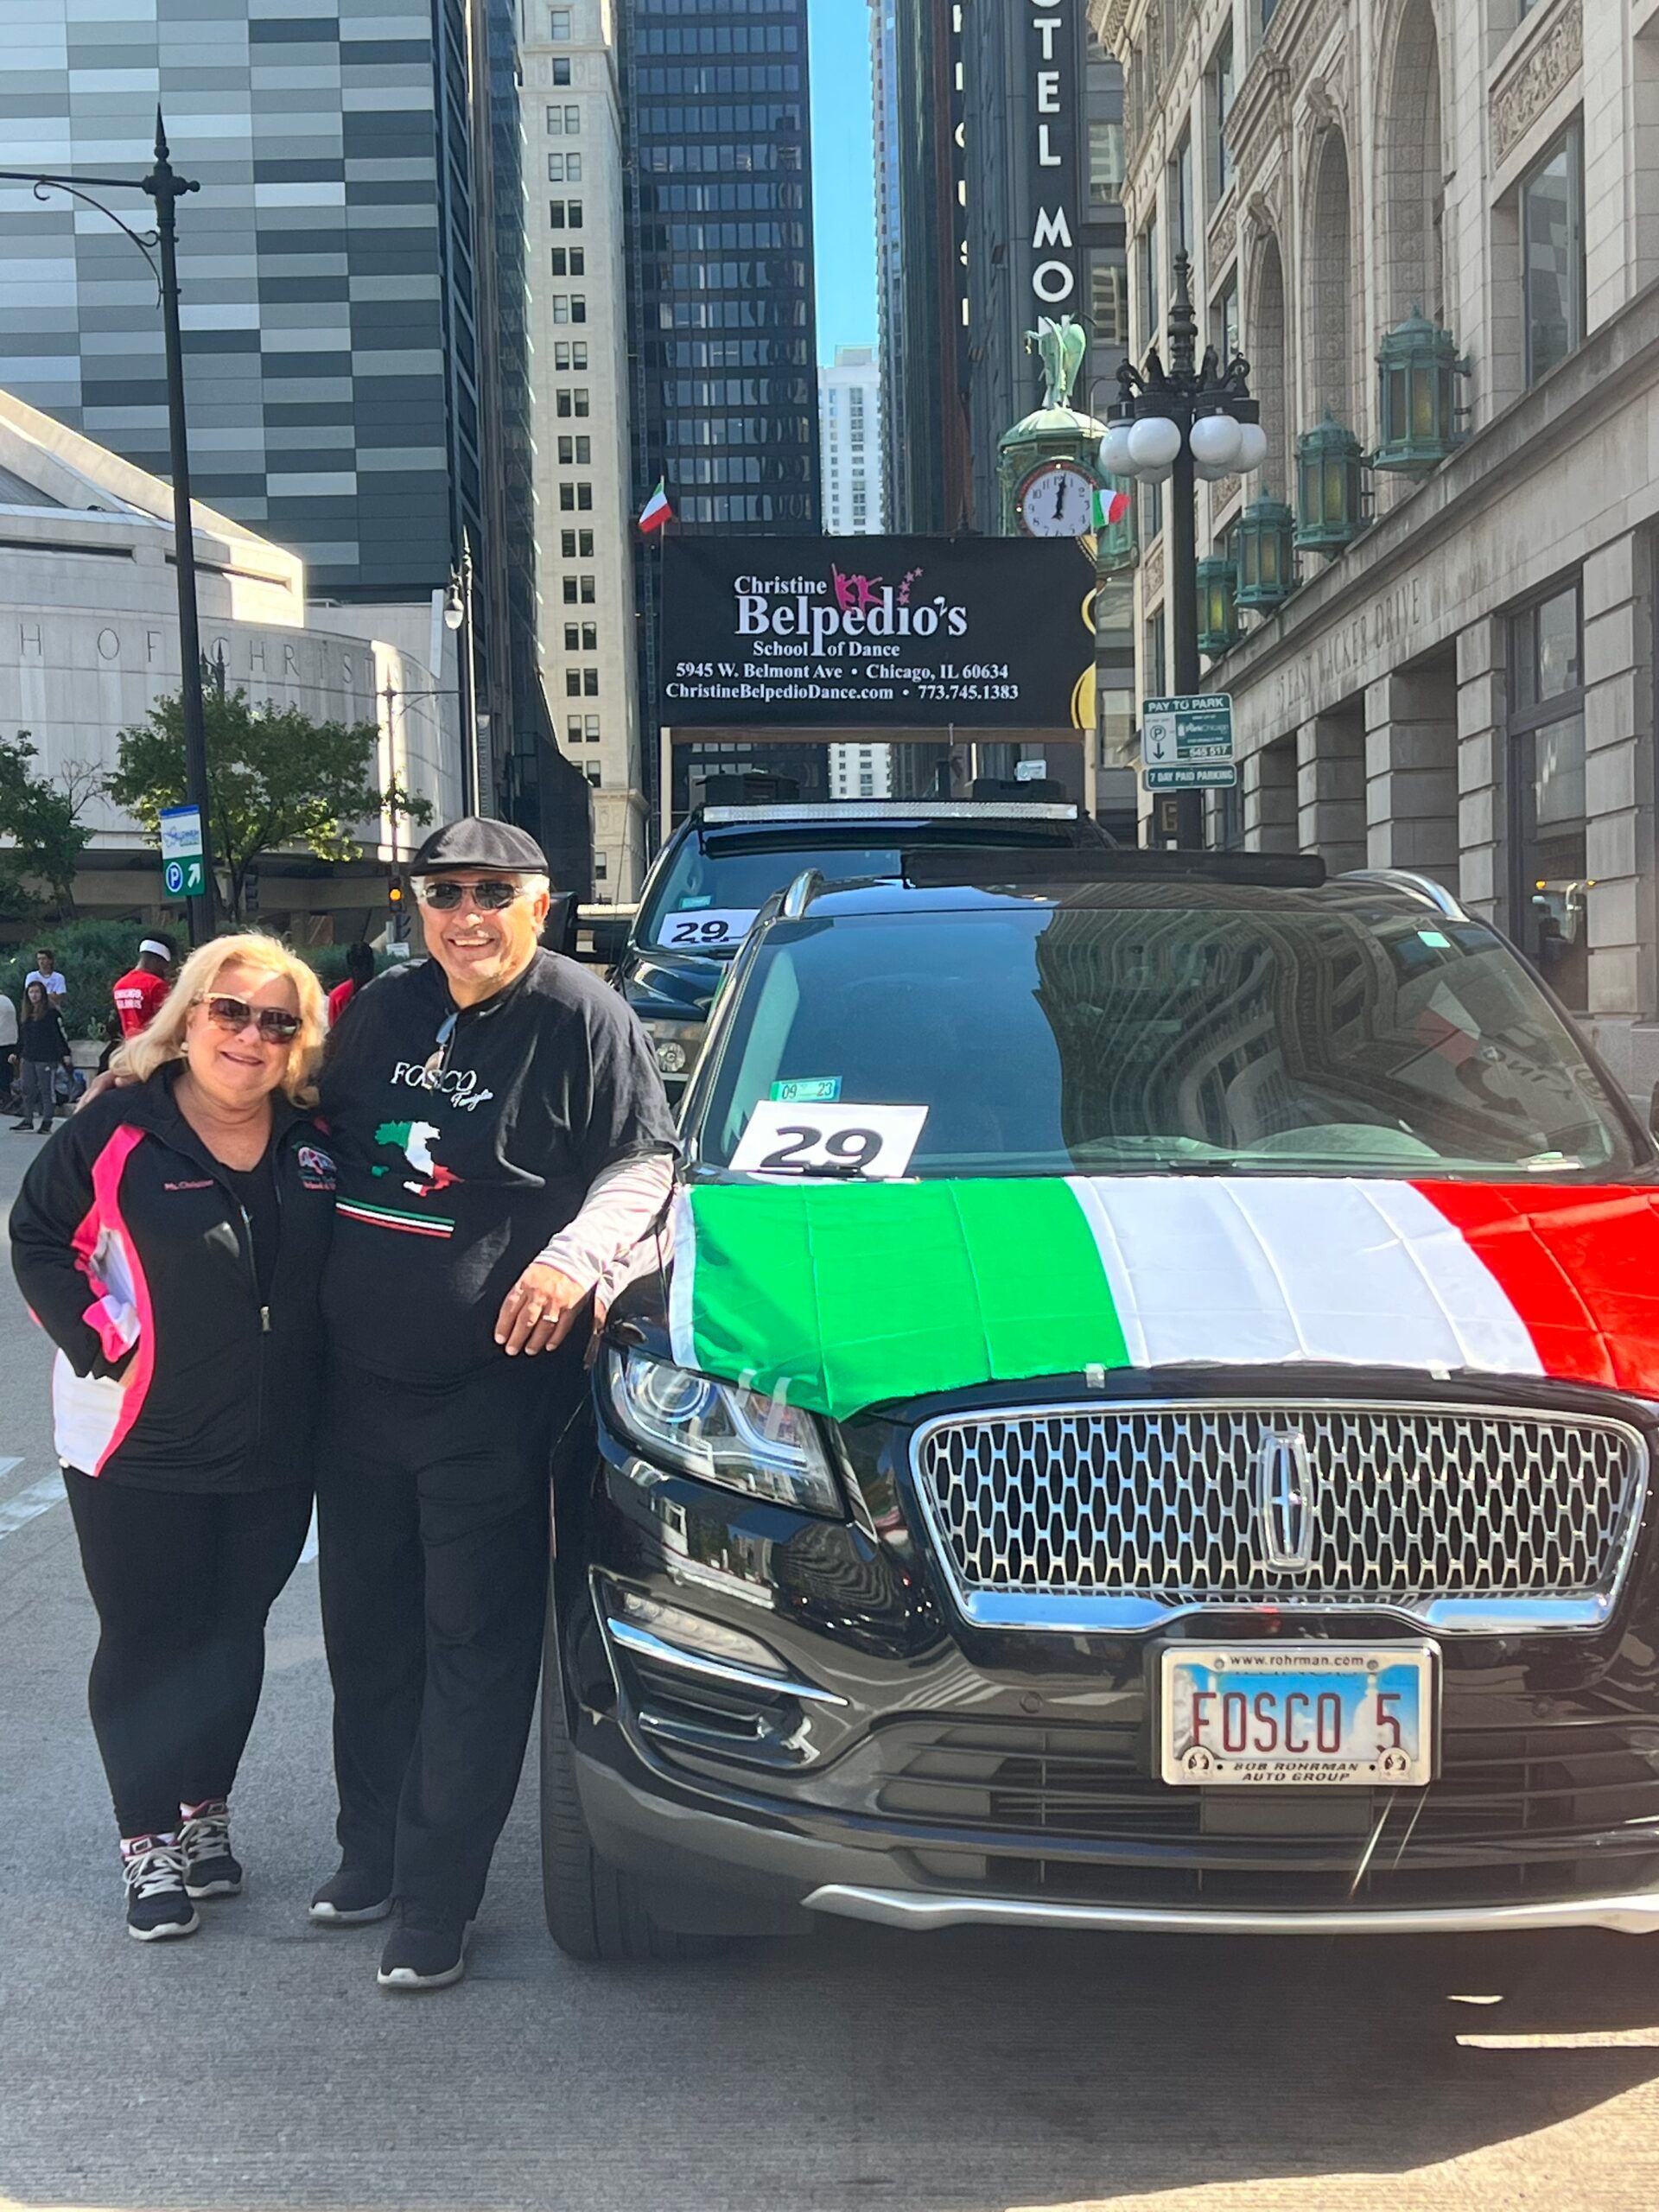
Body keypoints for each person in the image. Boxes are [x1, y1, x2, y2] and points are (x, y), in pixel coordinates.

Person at [311, 817, 677, 1991]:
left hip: (492, 1397)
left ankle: (436, 1900)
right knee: (368, 1638)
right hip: (358, 1389)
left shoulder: (583, 1014)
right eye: (444, 891)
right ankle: (369, 1850)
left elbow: (644, 1162)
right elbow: (299, 1120)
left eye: (492, 892)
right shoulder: (378, 1008)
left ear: (539, 901)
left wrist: (573, 1259)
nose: (466, 914)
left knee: (472, 1645)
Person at [9, 935, 334, 1942]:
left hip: (276, 1442)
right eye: (229, 1011)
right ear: (188, 1016)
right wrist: (104, 1339)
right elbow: (37, 1236)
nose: (250, 1035)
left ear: (300, 1042)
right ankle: (143, 1837)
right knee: (150, 1638)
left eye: (277, 1022)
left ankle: (203, 1810)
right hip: (137, 1442)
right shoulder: (120, 1122)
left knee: (233, 1635)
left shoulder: (317, 1138)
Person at [13, 979, 73, 1135]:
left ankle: (47, 1121)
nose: (34, 995)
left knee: (47, 1091)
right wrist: (16, 1052)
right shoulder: (27, 1014)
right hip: (29, 1056)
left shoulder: (50, 1013)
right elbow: (22, 1037)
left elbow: (58, 1035)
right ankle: (28, 1119)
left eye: (37, 992)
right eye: (31, 992)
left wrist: (65, 1053)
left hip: (46, 1057)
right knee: (27, 1088)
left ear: (42, 994)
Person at [112, 934, 178, 1039]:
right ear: (155, 960)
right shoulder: (156, 985)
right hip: (153, 1047)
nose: (165, 969)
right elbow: (167, 1021)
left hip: (130, 1048)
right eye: (164, 964)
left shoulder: (119, 985)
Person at [327, 942, 375, 1027]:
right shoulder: (338, 997)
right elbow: (334, 1033)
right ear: (354, 969)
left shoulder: (381, 993)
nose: (368, 972)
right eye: (363, 967)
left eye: (369, 967)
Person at [0, 983, 16, 1111]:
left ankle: (5, 1100)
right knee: (6, 1073)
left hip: (2, 1041)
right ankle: (7, 1100)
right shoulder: (6, 1000)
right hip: (10, 1041)